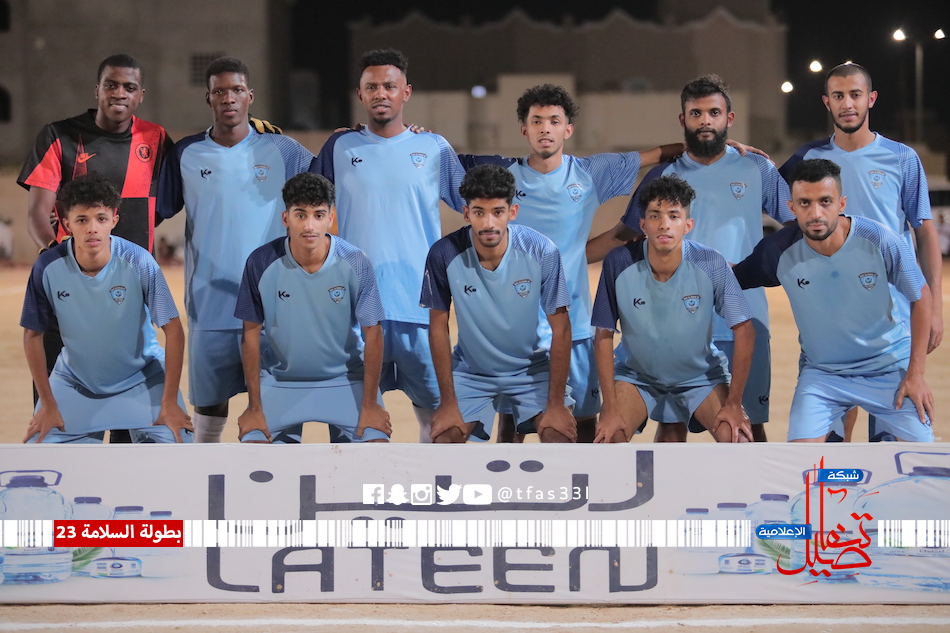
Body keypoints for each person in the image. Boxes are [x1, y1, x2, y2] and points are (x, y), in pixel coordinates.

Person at [588, 75, 792, 442]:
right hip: (676, 322)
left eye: (714, 112)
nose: (705, 121)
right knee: (671, 428)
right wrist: (566, 256)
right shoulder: (663, 175)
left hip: (745, 316)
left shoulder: (757, 169)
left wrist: (759, 269)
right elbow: (623, 236)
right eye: (696, 113)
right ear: (683, 120)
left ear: (729, 119)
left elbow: (797, 226)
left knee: (747, 426)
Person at [778, 62, 943, 442]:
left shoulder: (901, 158)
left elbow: (925, 232)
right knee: (833, 445)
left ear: (871, 99)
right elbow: (768, 192)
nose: (847, 104)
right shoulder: (807, 159)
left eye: (855, 94)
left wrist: (934, 306)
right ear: (827, 102)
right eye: (838, 96)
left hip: (892, 318)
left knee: (889, 447)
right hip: (832, 313)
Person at [157, 57, 317, 442]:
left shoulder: (283, 150)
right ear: (208, 98)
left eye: (236, 90)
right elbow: (153, 211)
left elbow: (330, 180)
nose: (228, 98)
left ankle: (277, 478)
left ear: (250, 96)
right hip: (209, 304)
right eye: (219, 91)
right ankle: (204, 474)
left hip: (274, 307)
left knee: (275, 407)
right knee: (209, 409)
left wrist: (357, 135)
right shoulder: (186, 153)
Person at [311, 49, 466, 442]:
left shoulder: (433, 147)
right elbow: (306, 207)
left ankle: (433, 485)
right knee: (353, 431)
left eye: (389, 86)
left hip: (421, 310)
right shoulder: (339, 148)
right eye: (372, 87)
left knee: (444, 428)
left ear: (405, 92)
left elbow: (474, 205)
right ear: (360, 94)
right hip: (356, 313)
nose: (381, 93)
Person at [18, 54, 172, 442]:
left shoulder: (156, 140)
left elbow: (168, 201)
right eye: (111, 85)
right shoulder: (59, 136)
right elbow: (38, 213)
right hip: (70, 302)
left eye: (129, 87)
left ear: (141, 95)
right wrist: (60, 263)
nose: (119, 93)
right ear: (97, 89)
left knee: (128, 429)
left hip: (128, 300)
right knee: (60, 424)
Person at [733, 159, 934, 442]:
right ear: (792, 207)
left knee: (918, 461)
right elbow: (729, 278)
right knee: (805, 463)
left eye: (825, 201)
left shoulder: (880, 240)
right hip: (823, 375)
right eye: (805, 203)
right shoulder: (777, 251)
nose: (815, 213)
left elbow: (921, 296)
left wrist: (916, 374)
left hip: (888, 367)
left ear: (841, 204)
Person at [20, 173, 192, 444]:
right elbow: (32, 335)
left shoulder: (139, 261)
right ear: (66, 224)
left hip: (142, 378)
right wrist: (48, 404)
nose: (92, 228)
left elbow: (174, 331)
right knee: (41, 450)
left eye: (101, 218)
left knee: (176, 445)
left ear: (114, 220)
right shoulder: (47, 267)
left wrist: (169, 401)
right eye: (82, 220)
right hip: (75, 381)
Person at [592, 175, 754, 444]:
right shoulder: (619, 262)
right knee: (609, 440)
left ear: (688, 224)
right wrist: (609, 407)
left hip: (700, 376)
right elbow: (603, 335)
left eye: (674, 216)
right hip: (636, 376)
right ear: (643, 224)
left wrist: (734, 403)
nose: (664, 224)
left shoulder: (711, 263)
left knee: (738, 440)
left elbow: (745, 330)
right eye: (655, 216)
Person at [420, 165, 575, 443]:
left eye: (498, 212)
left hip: (532, 369)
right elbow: (438, 328)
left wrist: (555, 405)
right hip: (472, 372)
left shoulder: (542, 250)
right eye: (479, 212)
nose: (488, 223)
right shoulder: (443, 253)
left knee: (559, 437)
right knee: (443, 441)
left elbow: (561, 328)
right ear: (466, 213)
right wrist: (448, 402)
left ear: (512, 212)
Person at [234, 173, 390, 444]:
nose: (309, 225)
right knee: (255, 451)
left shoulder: (355, 261)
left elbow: (373, 334)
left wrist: (370, 404)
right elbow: (250, 334)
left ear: (331, 218)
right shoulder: (260, 262)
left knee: (375, 449)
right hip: (280, 381)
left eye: (318, 215)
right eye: (300, 215)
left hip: (346, 379)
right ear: (286, 218)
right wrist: (254, 407)